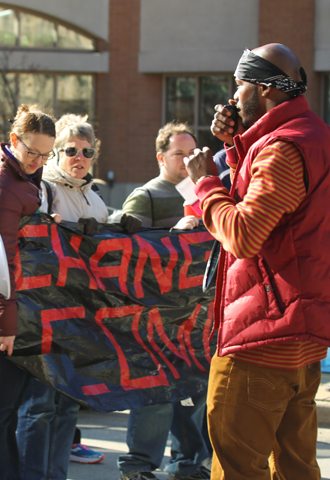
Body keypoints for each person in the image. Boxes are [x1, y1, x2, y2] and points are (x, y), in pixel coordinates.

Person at [183, 43, 330, 480]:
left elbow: (243, 235)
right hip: (299, 334)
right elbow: (283, 216)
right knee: (296, 466)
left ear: (262, 89)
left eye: (239, 85)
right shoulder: (312, 133)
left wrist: (206, 183)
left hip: (264, 337)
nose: (232, 97)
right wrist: (237, 144)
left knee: (238, 468)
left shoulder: (284, 148)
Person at [15, 114, 107, 480]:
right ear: (56, 153)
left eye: (87, 151)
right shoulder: (42, 188)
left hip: (81, 317)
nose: (79, 157)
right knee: (38, 408)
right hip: (43, 316)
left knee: (68, 406)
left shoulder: (94, 196)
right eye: (70, 150)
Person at [118, 122, 210, 480]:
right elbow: (128, 249)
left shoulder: (205, 191)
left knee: (194, 393)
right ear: (161, 157)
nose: (188, 160)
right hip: (156, 318)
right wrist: (174, 235)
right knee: (154, 396)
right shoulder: (147, 195)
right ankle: (138, 466)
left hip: (196, 318)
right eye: (179, 154)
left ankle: (188, 462)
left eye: (193, 153)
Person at [0, 104, 56, 480]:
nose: (39, 160)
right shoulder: (3, 186)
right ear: (14, 141)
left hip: (16, 305)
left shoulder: (19, 177)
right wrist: (6, 323)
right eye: (33, 152)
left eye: (46, 154)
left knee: (3, 410)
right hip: (2, 309)